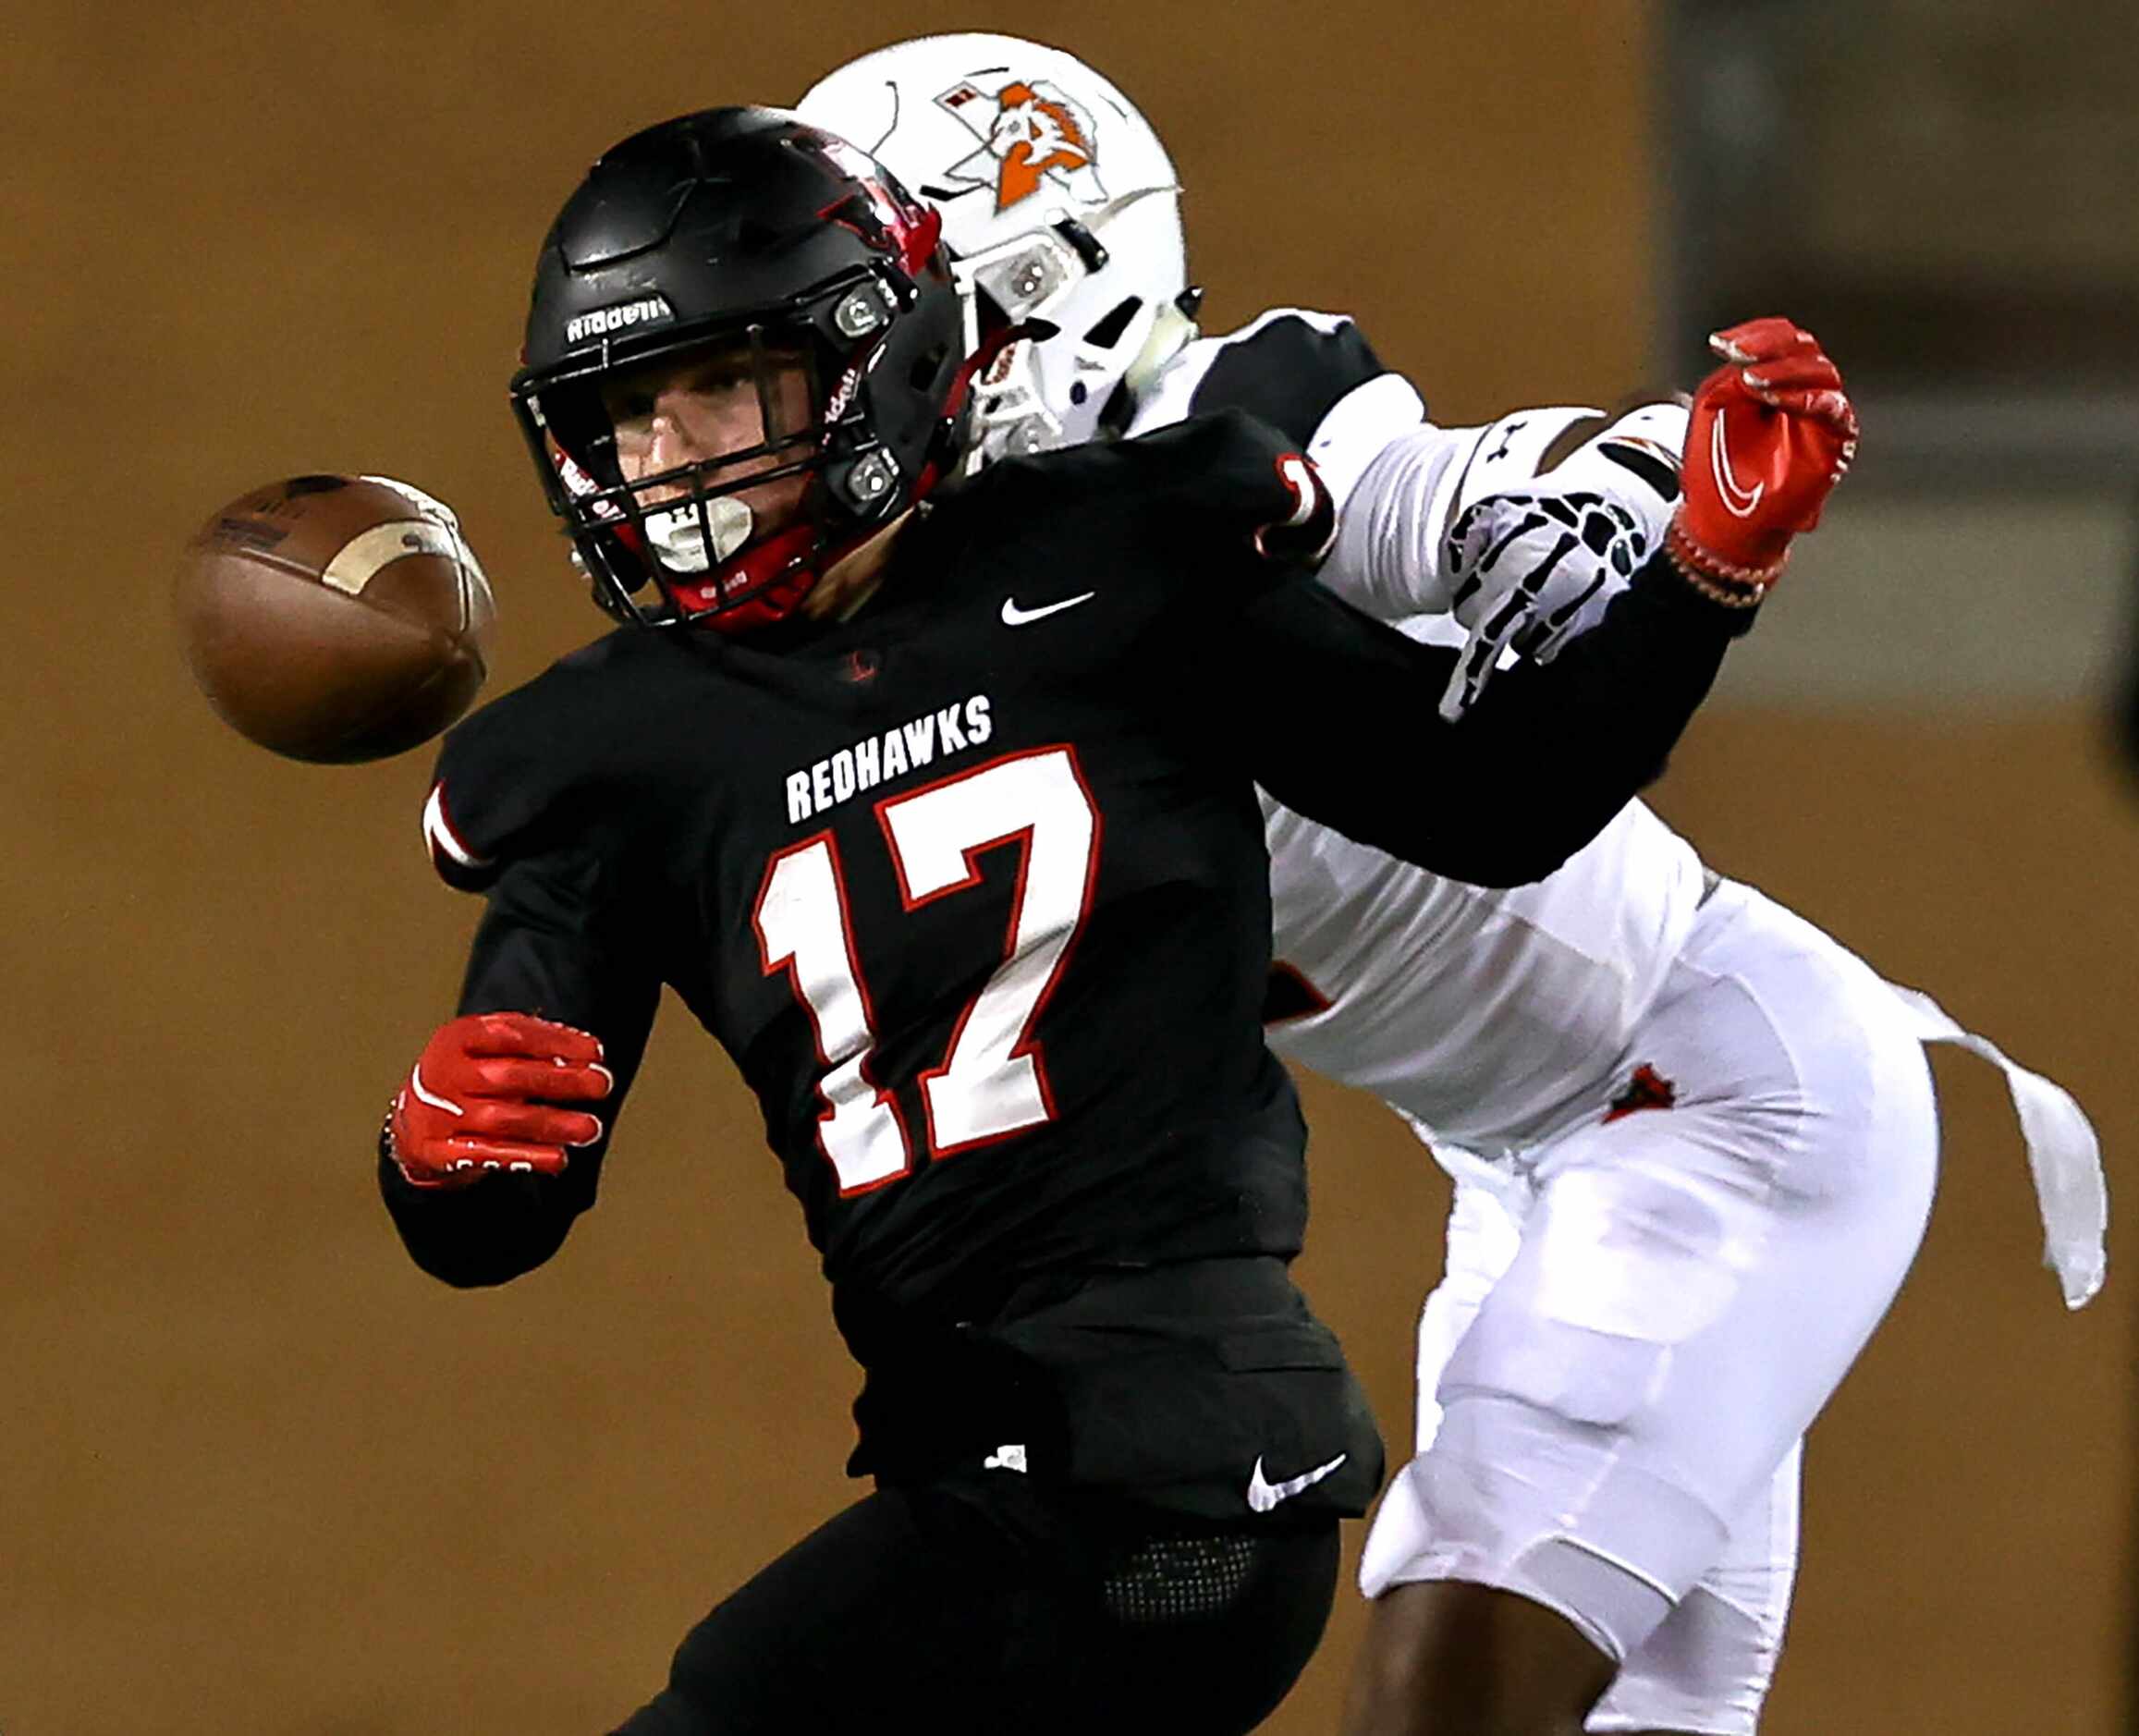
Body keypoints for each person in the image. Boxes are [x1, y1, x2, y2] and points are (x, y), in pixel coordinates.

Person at [373, 106, 1840, 1734]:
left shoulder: (1115, 554)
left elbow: (1491, 797)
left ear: (884, 357)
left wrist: (1699, 569)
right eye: (626, 413)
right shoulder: (598, 755)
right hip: (992, 1470)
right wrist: (437, 1150)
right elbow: (494, 1212)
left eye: (719, 384)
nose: (671, 457)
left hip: (1177, 1461)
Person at [797, 35, 2108, 1736]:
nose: (837, 385)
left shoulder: (1226, 430)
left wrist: (1624, 489)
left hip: (1715, 1090)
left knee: (1446, 1694)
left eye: (874, 323)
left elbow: (1459, 489)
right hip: (1519, 1163)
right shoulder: (923, 620)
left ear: (1039, 303)